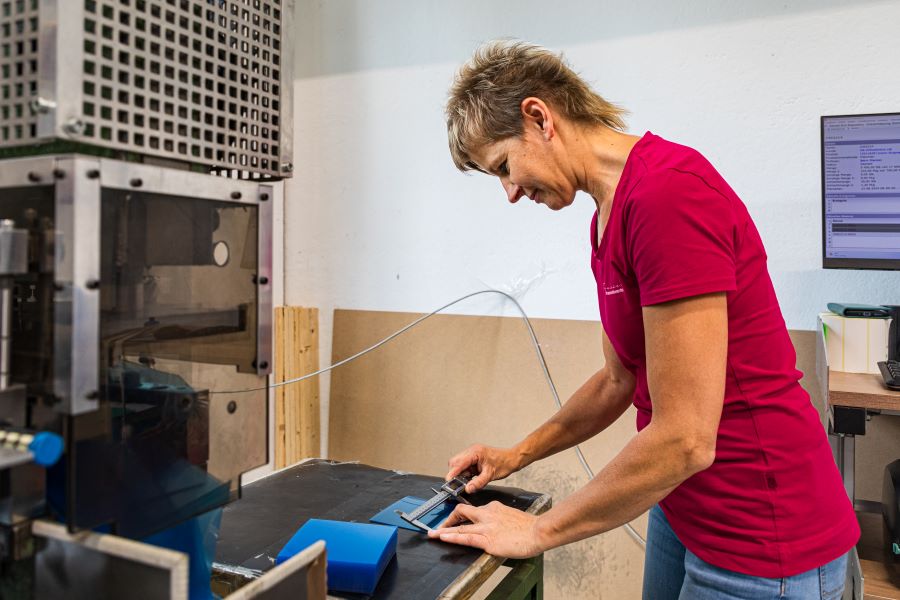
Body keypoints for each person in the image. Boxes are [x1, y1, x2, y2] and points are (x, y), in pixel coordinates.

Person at [430, 40, 859, 599]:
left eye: (505, 167)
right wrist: (518, 454)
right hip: (684, 509)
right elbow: (620, 378)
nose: (510, 192)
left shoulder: (667, 194)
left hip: (760, 531)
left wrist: (538, 531)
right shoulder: (607, 217)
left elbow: (685, 438)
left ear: (539, 118)